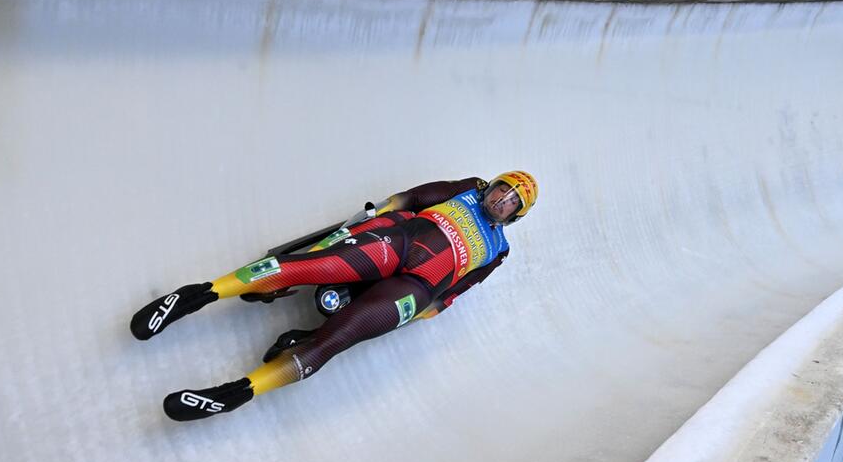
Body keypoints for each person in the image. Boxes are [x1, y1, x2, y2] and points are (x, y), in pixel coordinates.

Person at [130, 171, 539, 421]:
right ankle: (196, 295)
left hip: (416, 287)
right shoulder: (467, 189)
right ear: (491, 184)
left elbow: (457, 289)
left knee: (344, 335)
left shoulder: (498, 249)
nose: (499, 202)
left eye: (508, 204)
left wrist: (425, 311)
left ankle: (241, 392)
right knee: (312, 266)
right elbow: (411, 199)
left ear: (513, 217)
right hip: (395, 243)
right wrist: (377, 214)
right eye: (500, 191)